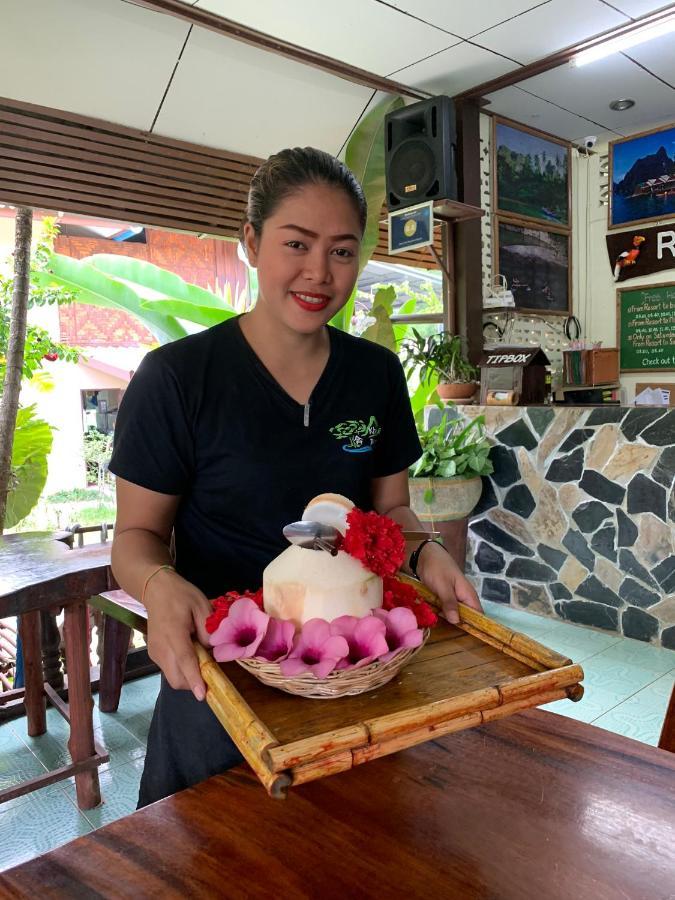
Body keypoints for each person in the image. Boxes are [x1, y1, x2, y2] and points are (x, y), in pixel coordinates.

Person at [109, 147, 482, 807]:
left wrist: (427, 552)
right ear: (251, 241)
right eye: (297, 244)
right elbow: (136, 535)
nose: (319, 273)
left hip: (354, 669)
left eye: (341, 251)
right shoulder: (176, 378)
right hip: (222, 673)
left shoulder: (374, 374)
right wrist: (159, 583)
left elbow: (392, 511)